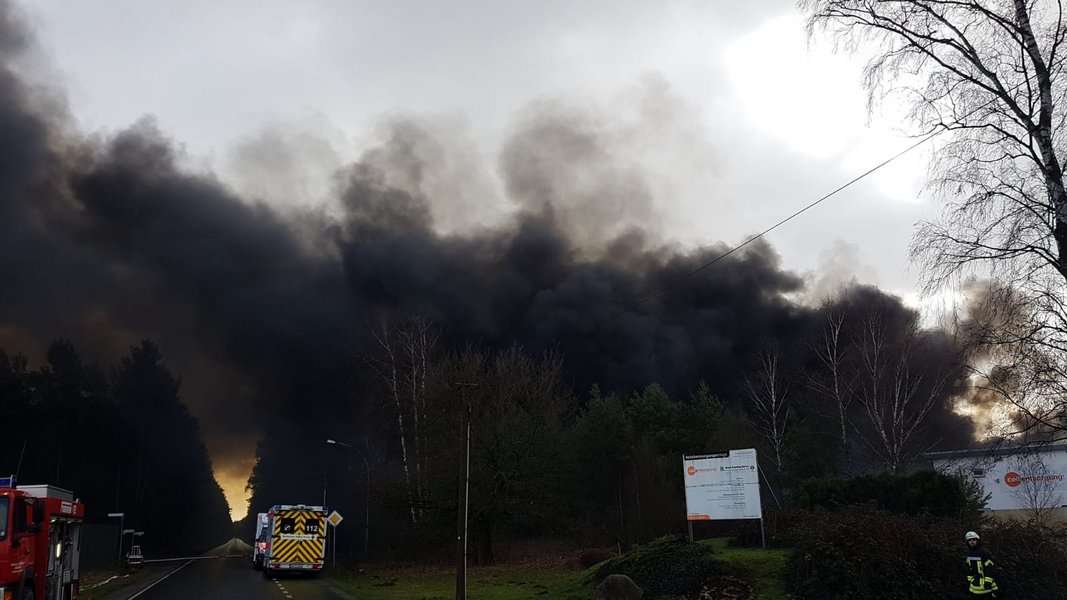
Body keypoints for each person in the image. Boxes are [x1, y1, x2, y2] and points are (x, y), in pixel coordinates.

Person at [965, 531, 1002, 597]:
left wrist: (988, 581)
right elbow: (969, 568)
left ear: (977, 541)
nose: (972, 542)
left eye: (974, 540)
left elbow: (990, 567)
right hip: (975, 584)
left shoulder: (983, 552)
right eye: (969, 540)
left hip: (985, 584)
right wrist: (969, 581)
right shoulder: (969, 553)